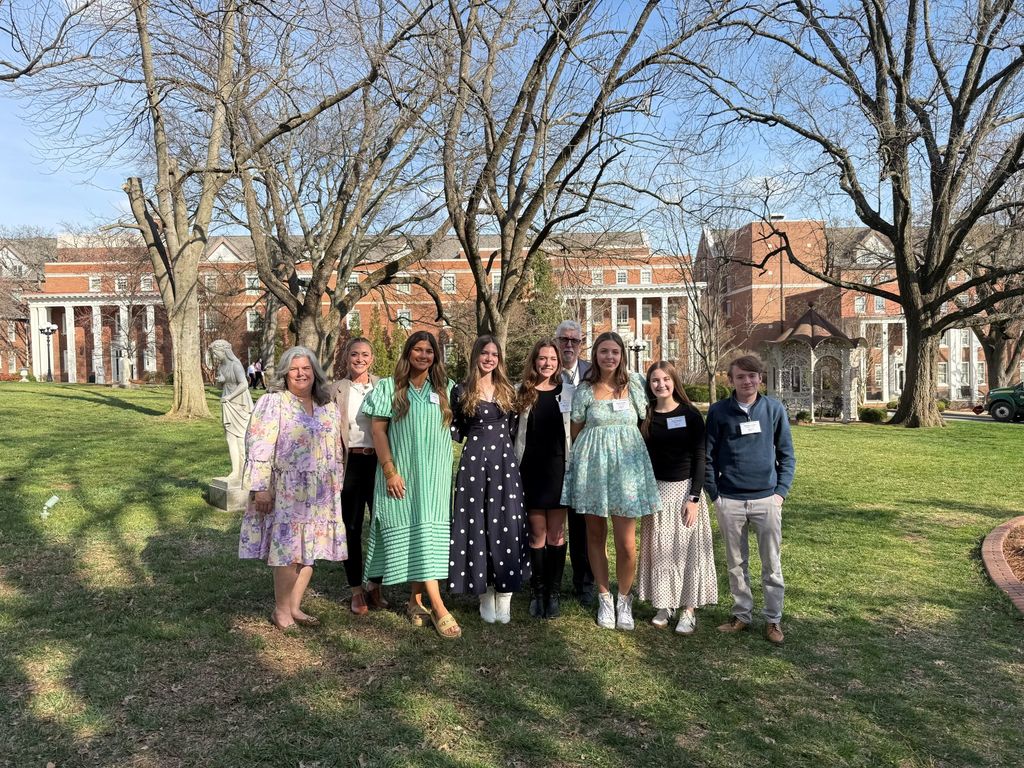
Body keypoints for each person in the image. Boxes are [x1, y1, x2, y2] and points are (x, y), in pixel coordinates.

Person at [238, 346, 347, 632]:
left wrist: (336, 484)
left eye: (306, 368)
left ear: (315, 373)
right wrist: (260, 488)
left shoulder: (328, 407)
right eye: (295, 369)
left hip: (320, 491)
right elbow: (259, 447)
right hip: (286, 489)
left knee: (309, 550)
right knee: (288, 552)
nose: (301, 373)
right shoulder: (274, 403)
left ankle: (295, 607)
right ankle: (281, 610)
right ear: (285, 374)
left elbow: (335, 450)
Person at [362, 331, 461, 639]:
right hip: (401, 474)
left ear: (436, 355)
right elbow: (378, 432)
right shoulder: (390, 388)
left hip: (435, 476)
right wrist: (390, 471)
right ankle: (439, 607)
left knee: (428, 532)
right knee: (414, 528)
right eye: (418, 349)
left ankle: (415, 602)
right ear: (408, 353)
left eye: (429, 351)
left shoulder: (446, 389)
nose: (423, 355)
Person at [561, 331, 659, 631]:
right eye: (604, 351)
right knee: (595, 535)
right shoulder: (586, 390)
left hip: (627, 470)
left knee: (627, 542)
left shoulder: (636, 385)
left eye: (614, 352)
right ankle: (604, 596)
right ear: (595, 355)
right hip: (593, 468)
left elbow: (645, 422)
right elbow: (576, 429)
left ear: (622, 355)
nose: (609, 357)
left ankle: (624, 599)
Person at [705, 354, 795, 646]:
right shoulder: (719, 412)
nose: (747, 381)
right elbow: (707, 457)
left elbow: (786, 455)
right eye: (741, 377)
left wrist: (780, 493)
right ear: (730, 380)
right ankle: (741, 615)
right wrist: (715, 496)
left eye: (752, 376)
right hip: (730, 500)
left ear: (761, 378)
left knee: (772, 563)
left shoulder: (773, 409)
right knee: (735, 562)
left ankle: (773, 619)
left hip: (766, 499)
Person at [449, 335, 528, 624]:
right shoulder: (461, 390)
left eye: (495, 354)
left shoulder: (508, 389)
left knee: (505, 522)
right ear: (476, 356)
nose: (489, 358)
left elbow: (516, 428)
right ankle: (483, 592)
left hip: (505, 465)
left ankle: (505, 593)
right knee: (477, 522)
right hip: (474, 463)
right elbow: (455, 430)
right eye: (485, 353)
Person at [637, 361, 717, 635]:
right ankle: (665, 603)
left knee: (686, 552)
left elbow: (700, 457)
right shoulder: (645, 415)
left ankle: (687, 609)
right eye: (655, 380)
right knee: (660, 551)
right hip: (657, 492)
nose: (661, 384)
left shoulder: (691, 415)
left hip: (685, 492)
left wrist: (694, 496)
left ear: (674, 381)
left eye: (665, 379)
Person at [514, 339, 570, 619]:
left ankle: (554, 593)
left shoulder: (567, 392)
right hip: (530, 470)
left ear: (559, 362)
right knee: (537, 534)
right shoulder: (521, 392)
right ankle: (538, 592)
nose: (547, 363)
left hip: (559, 469)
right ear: (534, 361)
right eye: (542, 358)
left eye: (552, 358)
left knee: (557, 534)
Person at [332, 337, 387, 616]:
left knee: (382, 525)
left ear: (372, 358)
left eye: (365, 354)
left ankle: (375, 584)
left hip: (378, 462)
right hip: (349, 464)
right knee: (351, 528)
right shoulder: (336, 390)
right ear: (347, 357)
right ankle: (356, 590)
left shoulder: (384, 386)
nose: (360, 359)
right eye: (354, 354)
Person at [554, 319, 594, 605]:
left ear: (581, 344)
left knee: (583, 528)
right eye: (564, 340)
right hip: (553, 460)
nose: (569, 345)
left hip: (585, 462)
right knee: (552, 527)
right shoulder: (544, 369)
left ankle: (585, 584)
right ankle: (547, 582)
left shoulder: (593, 373)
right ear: (556, 342)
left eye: (574, 341)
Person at [209, 339, 255, 485]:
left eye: (216, 354)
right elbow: (218, 387)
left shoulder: (235, 365)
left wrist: (229, 396)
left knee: (241, 439)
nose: (215, 357)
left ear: (224, 351)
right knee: (230, 438)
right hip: (227, 403)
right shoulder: (222, 367)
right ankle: (235, 471)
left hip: (240, 403)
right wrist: (220, 381)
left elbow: (244, 384)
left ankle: (245, 471)